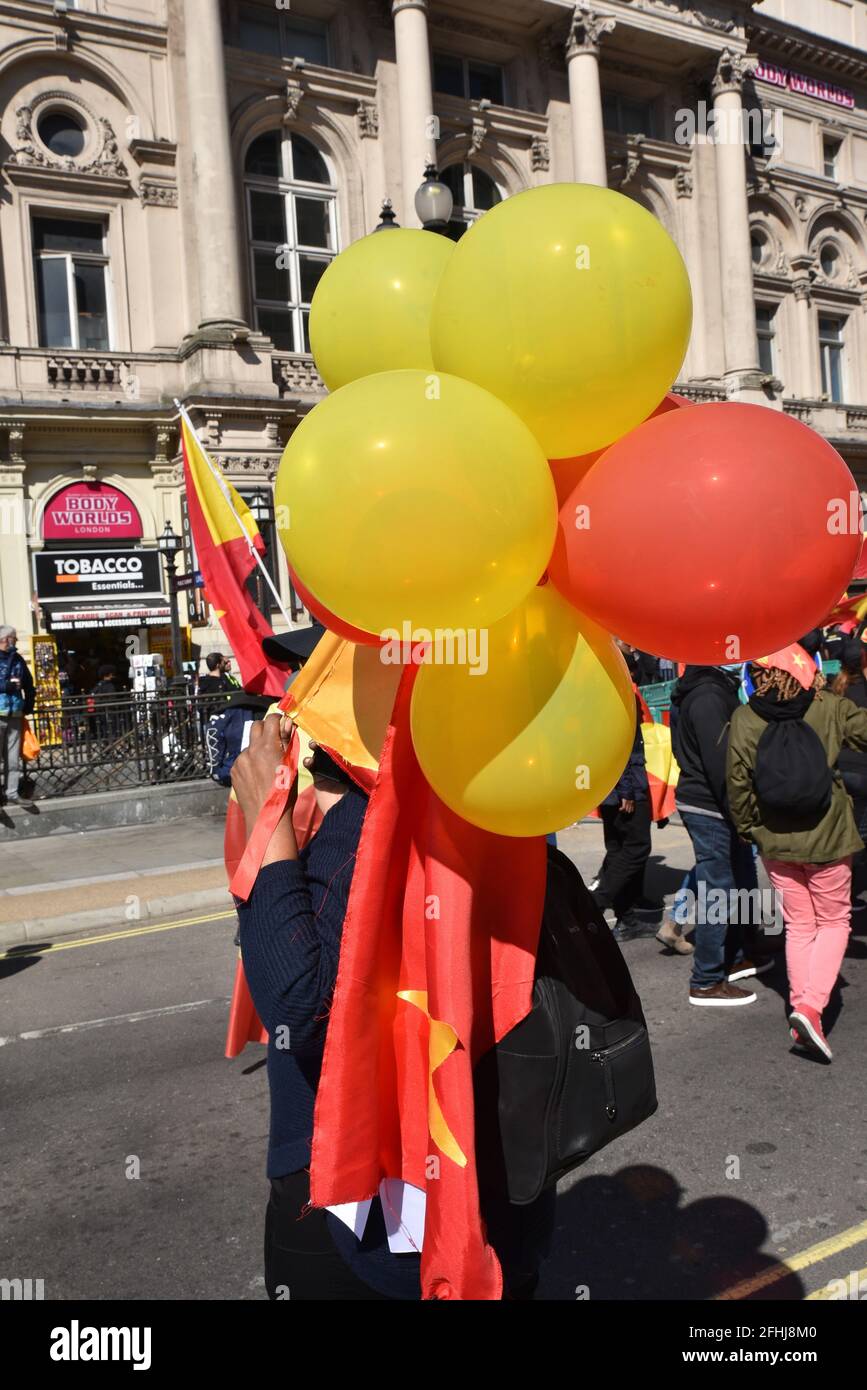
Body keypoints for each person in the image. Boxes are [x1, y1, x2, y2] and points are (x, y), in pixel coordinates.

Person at [233, 716, 555, 1301]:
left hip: (366, 1203)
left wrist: (267, 818)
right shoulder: (494, 799)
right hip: (500, 1171)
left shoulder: (365, 825)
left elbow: (299, 1003)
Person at [728, 651, 867, 1061]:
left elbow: (738, 784)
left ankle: (801, 1005)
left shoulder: (745, 718)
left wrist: (750, 829)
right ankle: (810, 1007)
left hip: (775, 842)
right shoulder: (830, 708)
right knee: (834, 920)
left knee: (800, 924)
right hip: (829, 838)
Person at [671, 664, 767, 1006]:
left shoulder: (706, 688)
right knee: (720, 890)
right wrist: (740, 816)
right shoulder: (709, 695)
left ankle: (739, 953)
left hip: (711, 801)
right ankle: (707, 979)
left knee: (741, 879)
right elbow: (721, 765)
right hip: (710, 804)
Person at [593, 693, 654, 941]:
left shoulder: (595, 696)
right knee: (636, 849)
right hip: (624, 792)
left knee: (618, 850)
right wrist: (627, 790)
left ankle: (626, 919)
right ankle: (597, 903)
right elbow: (618, 745)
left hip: (610, 789)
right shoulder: (615, 697)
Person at [831, 639, 867, 913]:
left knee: (846, 834)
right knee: (862, 836)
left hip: (841, 770)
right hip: (862, 771)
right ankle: (851, 891)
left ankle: (843, 890)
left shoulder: (834, 689)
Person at [206, 689, 273, 786]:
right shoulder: (272, 708)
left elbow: (215, 735)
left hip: (235, 769)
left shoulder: (230, 710)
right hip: (268, 770)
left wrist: (217, 770)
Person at [0, 625, 35, 805]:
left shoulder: (18, 659)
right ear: (6, 639)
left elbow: (29, 684)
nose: (17, 641)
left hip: (15, 713)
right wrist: (6, 687)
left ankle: (12, 792)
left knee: (12, 758)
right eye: (14, 638)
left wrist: (29, 703)